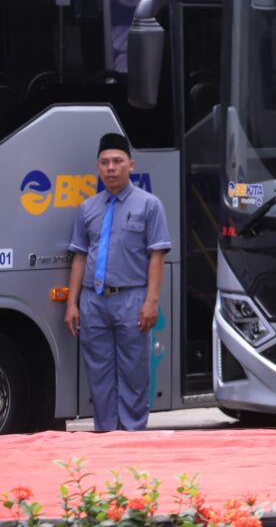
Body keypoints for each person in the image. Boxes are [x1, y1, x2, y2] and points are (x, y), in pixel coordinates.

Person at [65, 132, 171, 431]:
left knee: (134, 372)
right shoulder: (88, 208)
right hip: (93, 301)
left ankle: (131, 438)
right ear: (97, 167)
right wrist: (72, 304)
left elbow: (157, 256)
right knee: (98, 373)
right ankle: (105, 434)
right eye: (104, 162)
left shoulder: (149, 205)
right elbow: (80, 257)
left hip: (132, 299)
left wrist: (151, 301)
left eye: (117, 161)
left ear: (131, 165)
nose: (110, 168)